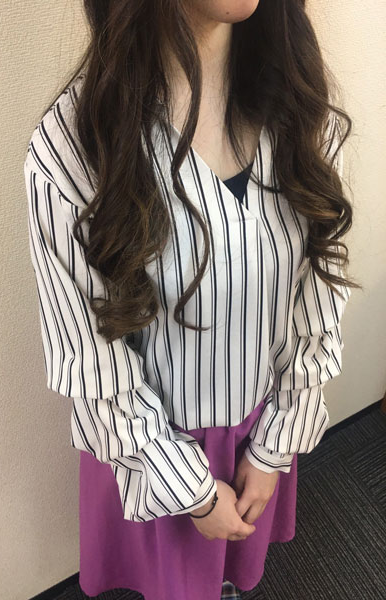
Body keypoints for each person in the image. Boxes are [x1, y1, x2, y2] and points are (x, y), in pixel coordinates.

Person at [23, 1, 356, 599]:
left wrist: (276, 443)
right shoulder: (74, 147)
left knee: (229, 576)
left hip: (260, 432)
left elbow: (318, 294)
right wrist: (191, 492)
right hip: (147, 450)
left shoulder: (299, 103)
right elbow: (92, 360)